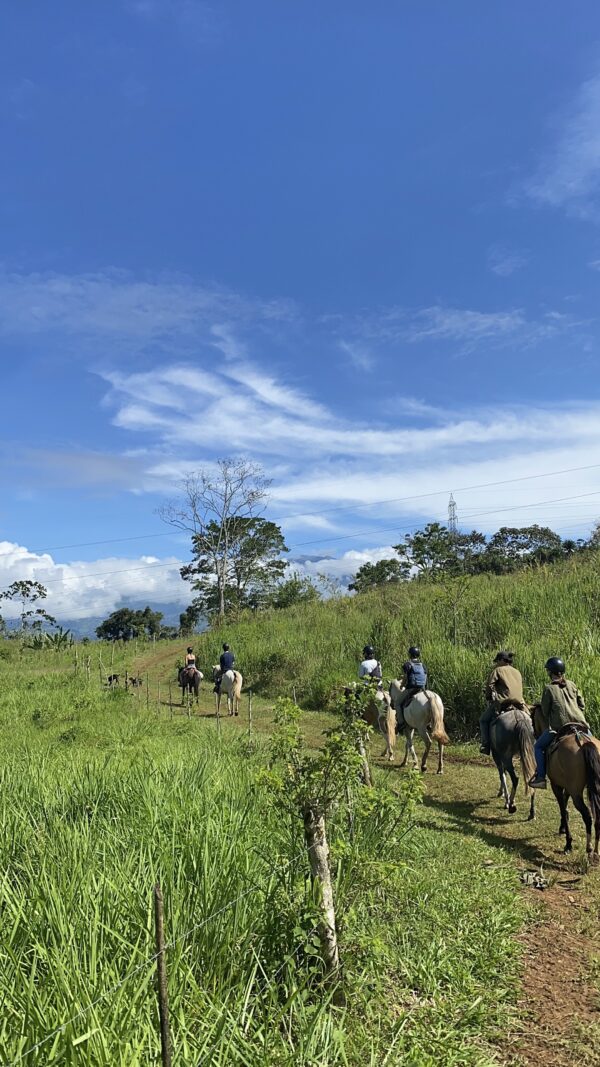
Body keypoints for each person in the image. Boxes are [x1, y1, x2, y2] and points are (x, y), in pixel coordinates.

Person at [529, 657, 588, 789]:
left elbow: (545, 711)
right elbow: (582, 705)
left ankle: (540, 778)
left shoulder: (549, 689)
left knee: (538, 747)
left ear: (550, 672)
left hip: (561, 727)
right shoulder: (572, 684)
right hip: (581, 725)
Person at [479, 651, 524, 755]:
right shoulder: (517, 671)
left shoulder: (498, 670)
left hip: (503, 703)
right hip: (519, 704)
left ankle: (486, 745)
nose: (496, 663)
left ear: (501, 660)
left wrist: (488, 696)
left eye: (497, 661)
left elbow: (490, 685)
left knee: (483, 720)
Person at [395, 647, 427, 728]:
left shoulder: (407, 664)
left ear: (409, 655)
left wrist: (402, 685)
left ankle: (401, 723)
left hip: (411, 689)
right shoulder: (423, 665)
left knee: (397, 703)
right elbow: (425, 677)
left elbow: (405, 678)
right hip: (422, 689)